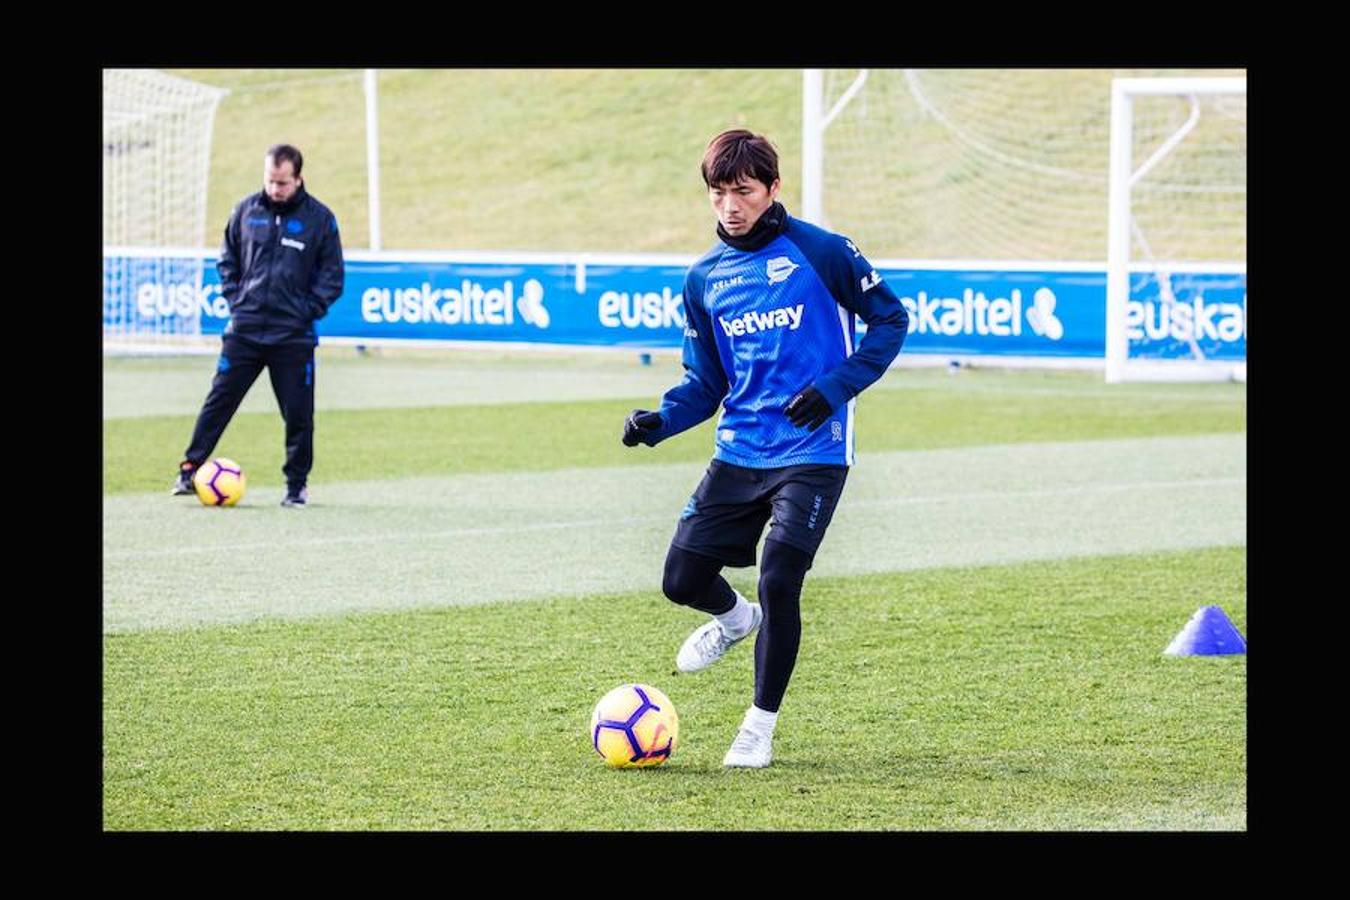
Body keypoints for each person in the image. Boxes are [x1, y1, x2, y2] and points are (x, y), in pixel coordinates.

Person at [621, 129, 909, 768]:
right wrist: (660, 422)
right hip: (740, 452)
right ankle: (732, 620)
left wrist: (835, 387)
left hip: (815, 448)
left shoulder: (822, 251)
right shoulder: (704, 280)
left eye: (744, 191)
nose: (731, 205)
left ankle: (758, 727)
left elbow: (892, 319)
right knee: (680, 580)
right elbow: (707, 383)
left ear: (773, 188)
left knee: (781, 576)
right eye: (719, 193)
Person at [172, 144, 344, 508]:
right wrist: (237, 301)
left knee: (298, 414)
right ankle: (189, 471)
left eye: (282, 182)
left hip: (292, 336)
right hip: (245, 331)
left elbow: (332, 276)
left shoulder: (320, 219)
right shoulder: (245, 210)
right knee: (219, 401)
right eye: (269, 180)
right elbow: (226, 260)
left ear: (298, 178)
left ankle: (296, 486)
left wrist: (306, 310)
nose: (275, 189)